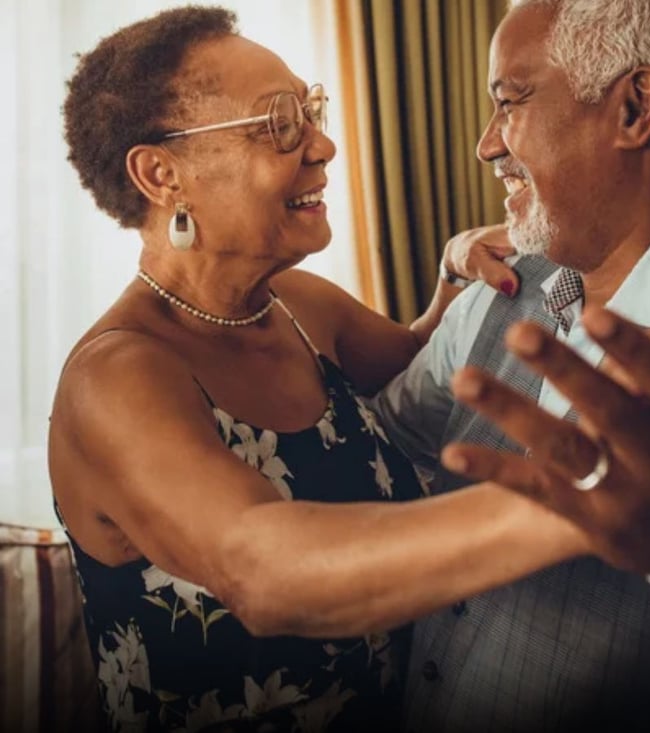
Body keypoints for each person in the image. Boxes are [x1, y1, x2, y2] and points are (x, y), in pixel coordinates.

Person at [48, 7, 587, 733]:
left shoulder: (300, 307)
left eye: (311, 111)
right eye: (278, 123)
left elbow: (438, 378)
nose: (324, 144)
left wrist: (455, 269)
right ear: (160, 174)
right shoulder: (115, 379)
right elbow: (263, 570)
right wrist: (587, 502)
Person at [371, 0, 650, 731]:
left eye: (509, 102)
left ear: (635, 108)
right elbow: (382, 439)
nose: (487, 145)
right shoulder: (495, 293)